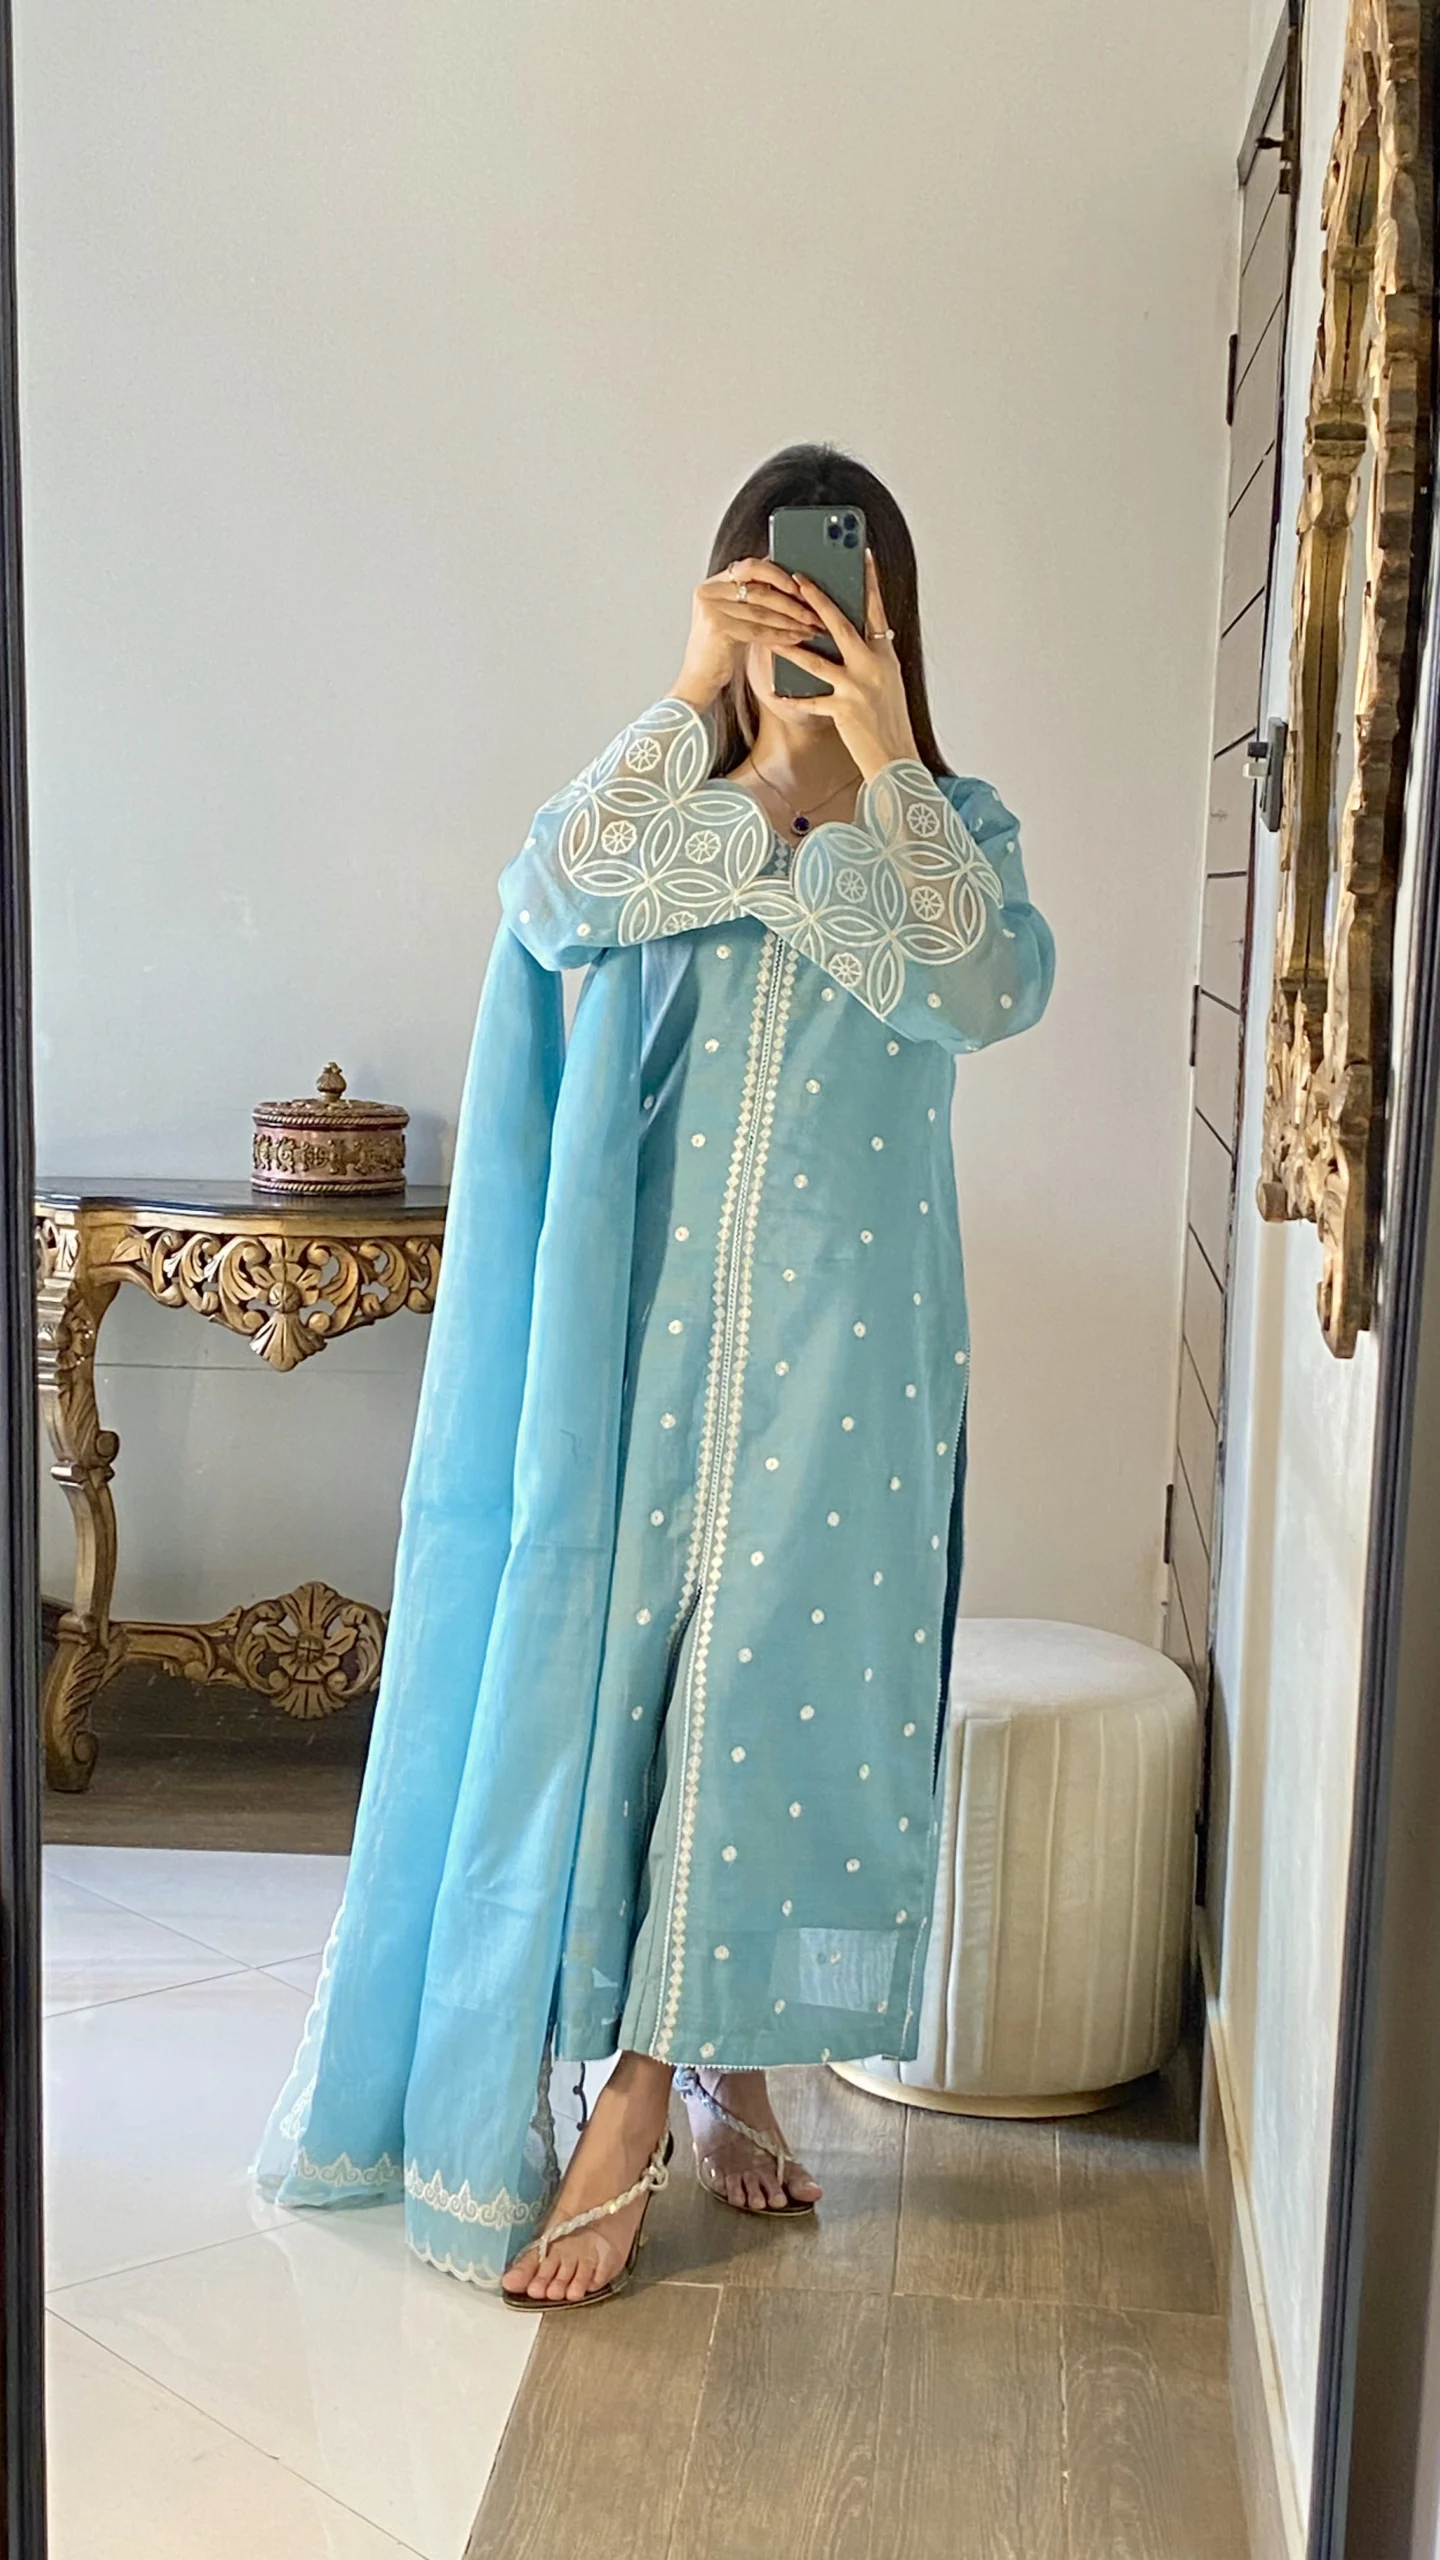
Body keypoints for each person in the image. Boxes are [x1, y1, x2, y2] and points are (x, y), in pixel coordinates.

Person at [256, 444, 1054, 2311]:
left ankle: (661, 2090)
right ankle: (688, 2071)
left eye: (842, 595)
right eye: (774, 591)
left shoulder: (949, 828)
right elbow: (545, 892)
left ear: (892, 614)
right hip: (655, 1337)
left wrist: (888, 754)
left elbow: (985, 990)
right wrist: (693, 691)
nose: (808, 618)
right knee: (637, 1691)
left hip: (851, 1358)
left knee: (778, 1689)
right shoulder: (678, 823)